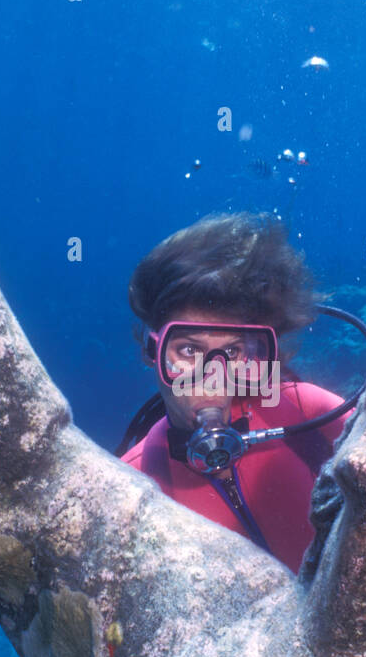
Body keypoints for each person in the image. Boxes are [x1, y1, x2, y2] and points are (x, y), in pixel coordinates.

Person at [119, 213, 351, 573]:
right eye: (189, 351)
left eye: (230, 354)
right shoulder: (133, 480)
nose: (212, 379)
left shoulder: (307, 412)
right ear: (153, 353)